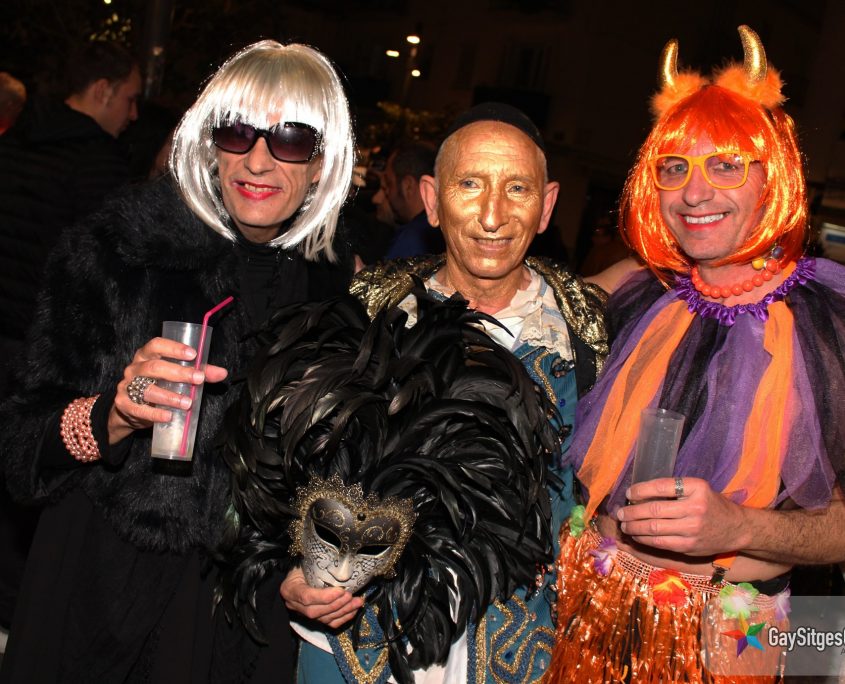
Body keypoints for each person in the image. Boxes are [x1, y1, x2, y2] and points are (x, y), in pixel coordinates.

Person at [0, 40, 355, 683]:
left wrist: (312, 562)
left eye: (291, 139)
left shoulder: (334, 295)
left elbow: (329, 475)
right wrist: (113, 414)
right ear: (211, 142)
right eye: (237, 131)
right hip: (108, 591)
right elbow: (19, 444)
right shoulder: (121, 254)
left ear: (322, 162)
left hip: (244, 614)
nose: (257, 160)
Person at [545, 26, 845, 682]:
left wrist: (739, 526)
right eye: (674, 167)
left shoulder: (832, 323)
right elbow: (513, 308)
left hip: (731, 633)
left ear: (772, 174)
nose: (693, 192)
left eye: (725, 165)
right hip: (589, 609)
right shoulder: (633, 293)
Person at [281, 101, 608, 682]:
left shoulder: (589, 337)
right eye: (470, 184)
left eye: (517, 189)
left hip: (520, 653)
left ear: (547, 206)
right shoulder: (371, 316)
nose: (492, 215)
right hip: (358, 646)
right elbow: (294, 466)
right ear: (431, 200)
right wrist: (287, 565)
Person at [0, 40, 141, 358]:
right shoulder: (98, 160)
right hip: (37, 346)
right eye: (130, 99)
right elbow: (106, 267)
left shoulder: (16, 138)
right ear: (103, 90)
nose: (134, 114)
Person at [374, 139, 445, 259]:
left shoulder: (410, 240)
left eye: (389, 185)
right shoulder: (447, 226)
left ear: (408, 186)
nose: (377, 199)